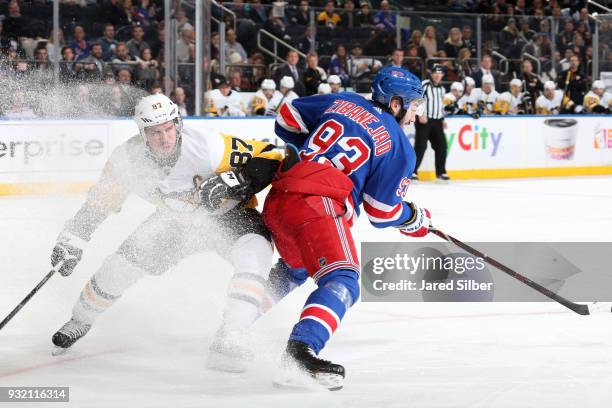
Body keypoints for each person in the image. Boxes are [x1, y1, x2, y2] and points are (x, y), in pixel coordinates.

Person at [49, 94, 282, 373]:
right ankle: (80, 319)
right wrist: (73, 238)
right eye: (155, 132)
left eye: (169, 128)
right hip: (174, 223)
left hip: (229, 215)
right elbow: (98, 203)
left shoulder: (207, 146)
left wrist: (234, 179)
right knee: (118, 268)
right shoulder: (126, 160)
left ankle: (231, 334)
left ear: (178, 124)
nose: (164, 138)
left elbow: (269, 155)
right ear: (142, 133)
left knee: (256, 253)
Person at [261, 65, 430, 390]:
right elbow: (381, 212)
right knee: (343, 278)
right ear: (395, 103)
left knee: (296, 269)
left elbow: (287, 116)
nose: (415, 113)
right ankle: (300, 352)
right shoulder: (399, 146)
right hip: (317, 204)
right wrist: (412, 217)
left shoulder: (344, 101)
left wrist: (313, 155)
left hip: (280, 195)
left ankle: (231, 326)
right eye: (413, 104)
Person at [413, 64, 449, 182]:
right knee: (420, 147)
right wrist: (420, 114)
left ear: (442, 75)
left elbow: (441, 105)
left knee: (442, 146)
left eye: (440, 73)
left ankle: (441, 172)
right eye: (436, 73)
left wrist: (443, 119)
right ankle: (412, 171)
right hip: (424, 120)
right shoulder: (425, 85)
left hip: (437, 121)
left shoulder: (442, 89)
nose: (438, 75)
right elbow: (417, 99)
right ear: (432, 74)